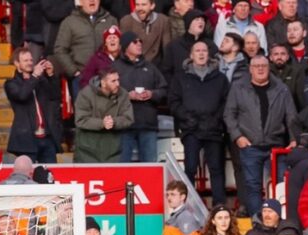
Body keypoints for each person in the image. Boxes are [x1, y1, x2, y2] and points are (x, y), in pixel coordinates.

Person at [223, 54, 298, 216]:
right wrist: (238, 137)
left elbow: (291, 115)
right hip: (250, 146)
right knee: (252, 186)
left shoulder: (281, 88)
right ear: (250, 69)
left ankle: (281, 220)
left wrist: (293, 139)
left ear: (269, 67)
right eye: (256, 66)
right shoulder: (238, 88)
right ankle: (257, 222)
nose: (260, 69)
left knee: (282, 185)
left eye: (263, 66)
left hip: (276, 146)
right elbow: (229, 114)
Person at [169, 39, 229, 206]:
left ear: (208, 54)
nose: (201, 53)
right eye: (198, 51)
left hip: (214, 129)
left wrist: (216, 119)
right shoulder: (180, 78)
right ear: (191, 55)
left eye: (204, 50)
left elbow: (227, 102)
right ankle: (188, 205)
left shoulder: (220, 78)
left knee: (216, 169)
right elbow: (173, 102)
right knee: (190, 168)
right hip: (191, 129)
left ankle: (219, 206)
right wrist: (187, 118)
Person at [113, 32, 167, 162]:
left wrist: (152, 94)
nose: (139, 44)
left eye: (140, 42)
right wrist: (127, 96)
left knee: (150, 169)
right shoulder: (115, 67)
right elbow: (107, 91)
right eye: (135, 42)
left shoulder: (150, 67)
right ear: (126, 46)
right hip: (124, 125)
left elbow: (164, 89)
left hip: (147, 124)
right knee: (122, 168)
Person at [5, 48, 61, 163]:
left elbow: (54, 95)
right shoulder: (11, 83)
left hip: (47, 137)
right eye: (25, 60)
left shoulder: (40, 80)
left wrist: (50, 75)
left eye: (31, 60)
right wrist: (35, 76)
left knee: (50, 176)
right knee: (27, 176)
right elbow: (22, 95)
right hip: (27, 140)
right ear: (16, 63)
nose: (30, 62)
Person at [74, 68, 135, 163]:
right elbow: (80, 120)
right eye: (113, 81)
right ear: (103, 82)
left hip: (113, 149)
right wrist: (102, 123)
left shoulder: (123, 94)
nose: (117, 84)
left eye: (118, 80)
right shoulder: (85, 94)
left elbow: (128, 118)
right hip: (87, 149)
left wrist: (114, 122)